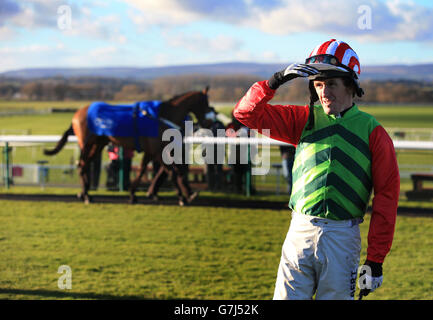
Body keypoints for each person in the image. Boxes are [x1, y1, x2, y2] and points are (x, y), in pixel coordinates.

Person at [234, 39, 400, 300]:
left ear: (351, 85)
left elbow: (387, 199)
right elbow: (246, 115)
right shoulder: (303, 119)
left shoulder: (373, 132)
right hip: (299, 231)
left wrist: (375, 259)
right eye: (319, 85)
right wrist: (275, 81)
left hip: (342, 238)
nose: (324, 92)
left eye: (331, 84)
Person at [202, 107, 226, 191]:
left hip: (218, 150)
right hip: (207, 151)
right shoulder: (204, 125)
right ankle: (210, 186)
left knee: (218, 169)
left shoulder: (219, 124)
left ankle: (219, 186)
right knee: (209, 170)